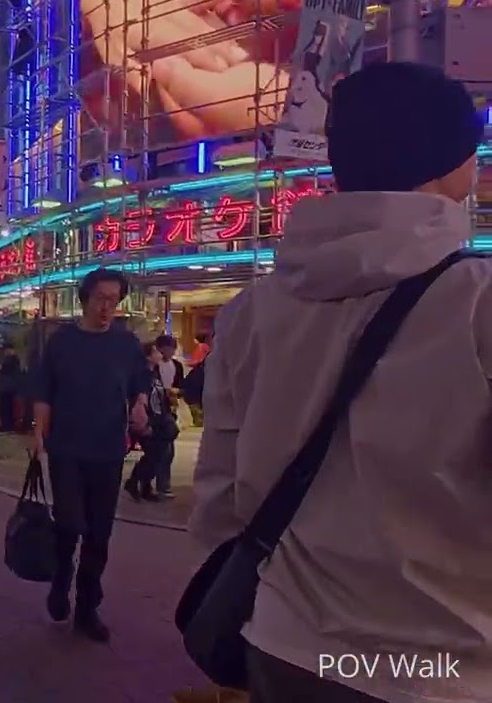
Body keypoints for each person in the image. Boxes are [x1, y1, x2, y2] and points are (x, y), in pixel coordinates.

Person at [191, 62, 492, 701]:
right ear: (454, 166)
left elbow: (219, 491)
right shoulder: (478, 303)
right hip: (446, 665)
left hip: (283, 641)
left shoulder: (252, 312)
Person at [31, 267, 149, 643]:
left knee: (100, 534)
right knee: (69, 524)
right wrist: (38, 435)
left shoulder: (126, 345)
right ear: (85, 299)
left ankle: (87, 607)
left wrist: (141, 405)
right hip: (66, 449)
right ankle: (60, 580)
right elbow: (44, 393)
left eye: (114, 301)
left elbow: (139, 386)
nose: (107, 307)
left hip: (109, 451)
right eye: (101, 299)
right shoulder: (61, 343)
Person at [123, 342, 177, 503]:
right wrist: (142, 421)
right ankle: (134, 481)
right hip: (146, 420)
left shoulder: (155, 373)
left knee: (159, 453)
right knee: (156, 453)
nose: (159, 353)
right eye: (155, 351)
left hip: (159, 419)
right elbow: (139, 399)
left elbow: (159, 397)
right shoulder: (142, 375)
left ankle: (145, 486)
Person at [152, 334, 184, 497]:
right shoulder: (153, 366)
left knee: (167, 448)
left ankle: (161, 484)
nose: (170, 352)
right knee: (163, 449)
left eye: (172, 349)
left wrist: (176, 393)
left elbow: (180, 385)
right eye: (167, 349)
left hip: (170, 408)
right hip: (156, 410)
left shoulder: (177, 366)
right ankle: (158, 484)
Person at [0, 344, 23, 432]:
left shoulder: (12, 359)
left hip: (7, 388)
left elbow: (5, 370)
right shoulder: (14, 360)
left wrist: (0, 368)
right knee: (8, 407)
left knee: (5, 408)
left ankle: (7, 426)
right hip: (10, 388)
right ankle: (8, 426)